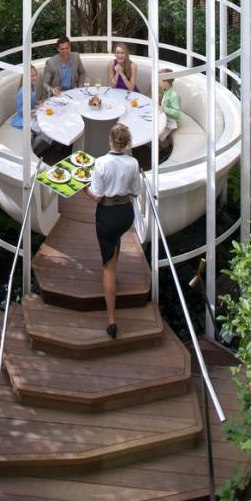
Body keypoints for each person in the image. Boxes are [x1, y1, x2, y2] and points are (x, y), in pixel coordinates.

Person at [87, 123, 140, 339]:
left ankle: (111, 320)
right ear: (126, 143)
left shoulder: (101, 163)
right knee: (115, 240)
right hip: (126, 215)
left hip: (107, 216)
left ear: (110, 140)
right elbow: (136, 192)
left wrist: (83, 190)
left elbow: (97, 196)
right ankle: (114, 256)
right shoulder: (133, 163)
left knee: (108, 268)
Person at [11, 65, 51, 156]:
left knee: (47, 122)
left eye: (35, 75)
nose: (34, 77)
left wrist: (39, 103)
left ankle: (35, 150)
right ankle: (32, 151)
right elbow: (22, 111)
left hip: (31, 114)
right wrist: (37, 109)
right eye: (31, 76)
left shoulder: (32, 86)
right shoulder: (23, 91)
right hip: (23, 118)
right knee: (45, 131)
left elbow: (31, 102)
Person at [158, 69, 181, 157]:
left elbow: (177, 113)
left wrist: (164, 109)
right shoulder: (166, 90)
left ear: (166, 82)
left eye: (160, 80)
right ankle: (161, 147)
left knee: (158, 132)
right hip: (166, 116)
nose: (158, 82)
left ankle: (166, 149)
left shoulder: (174, 95)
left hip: (173, 121)